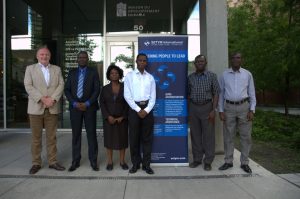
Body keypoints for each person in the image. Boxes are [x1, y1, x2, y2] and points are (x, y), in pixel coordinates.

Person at [24, 46, 65, 174]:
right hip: (36, 108)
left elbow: (61, 84)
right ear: (37, 56)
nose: (44, 56)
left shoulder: (56, 69)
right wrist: (42, 99)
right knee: (36, 138)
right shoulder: (30, 69)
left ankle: (52, 161)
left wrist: (52, 99)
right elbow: (28, 86)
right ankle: (36, 163)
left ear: (50, 56)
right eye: (41, 54)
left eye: (46, 54)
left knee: (51, 137)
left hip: (52, 108)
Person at [218, 52, 256, 173]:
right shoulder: (224, 75)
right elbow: (221, 94)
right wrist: (221, 110)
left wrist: (252, 109)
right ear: (231, 60)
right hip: (228, 107)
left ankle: (244, 163)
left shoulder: (247, 74)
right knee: (228, 135)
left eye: (238, 58)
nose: (236, 60)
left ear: (241, 60)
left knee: (246, 136)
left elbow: (252, 93)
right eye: (233, 58)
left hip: (244, 107)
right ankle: (228, 161)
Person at [65, 51, 100, 172]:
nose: (82, 59)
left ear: (87, 59)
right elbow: (67, 90)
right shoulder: (71, 73)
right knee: (76, 135)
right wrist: (74, 103)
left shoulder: (93, 72)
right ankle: (75, 161)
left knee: (91, 135)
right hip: (75, 108)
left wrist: (87, 103)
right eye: (80, 57)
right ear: (77, 59)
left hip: (89, 108)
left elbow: (96, 90)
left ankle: (93, 161)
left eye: (84, 57)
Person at [124, 53, 156, 175]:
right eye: (140, 60)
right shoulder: (130, 76)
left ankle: (146, 165)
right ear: (136, 62)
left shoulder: (150, 78)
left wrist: (146, 110)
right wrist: (138, 110)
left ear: (146, 63)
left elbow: (153, 97)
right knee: (134, 138)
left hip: (147, 108)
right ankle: (135, 164)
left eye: (144, 61)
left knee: (147, 139)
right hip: (134, 109)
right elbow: (127, 95)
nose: (142, 62)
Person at [188, 55, 219, 171]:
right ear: (195, 64)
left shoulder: (212, 76)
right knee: (195, 135)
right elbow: (188, 94)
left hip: (207, 107)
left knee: (208, 136)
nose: (200, 63)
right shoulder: (190, 77)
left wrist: (213, 110)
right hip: (193, 108)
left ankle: (208, 161)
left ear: (205, 63)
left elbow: (216, 93)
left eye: (202, 61)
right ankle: (197, 159)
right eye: (197, 61)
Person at [100, 64, 129, 171]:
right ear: (109, 75)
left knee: (122, 140)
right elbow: (102, 103)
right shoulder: (104, 89)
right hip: (109, 119)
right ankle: (110, 162)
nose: (114, 75)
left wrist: (123, 116)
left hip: (122, 119)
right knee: (109, 140)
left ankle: (122, 161)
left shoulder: (125, 87)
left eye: (116, 73)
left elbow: (128, 103)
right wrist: (107, 116)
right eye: (112, 73)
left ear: (119, 75)